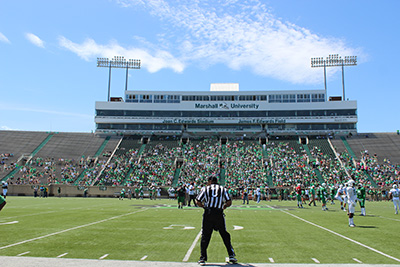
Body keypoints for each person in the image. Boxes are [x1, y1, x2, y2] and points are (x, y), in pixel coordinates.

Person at [196, 175, 237, 266]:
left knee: (205, 235)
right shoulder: (223, 189)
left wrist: (204, 207)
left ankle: (202, 258)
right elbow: (229, 202)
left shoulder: (205, 189)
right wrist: (224, 206)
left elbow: (198, 201)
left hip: (208, 213)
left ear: (210, 181)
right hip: (218, 213)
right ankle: (231, 255)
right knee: (224, 234)